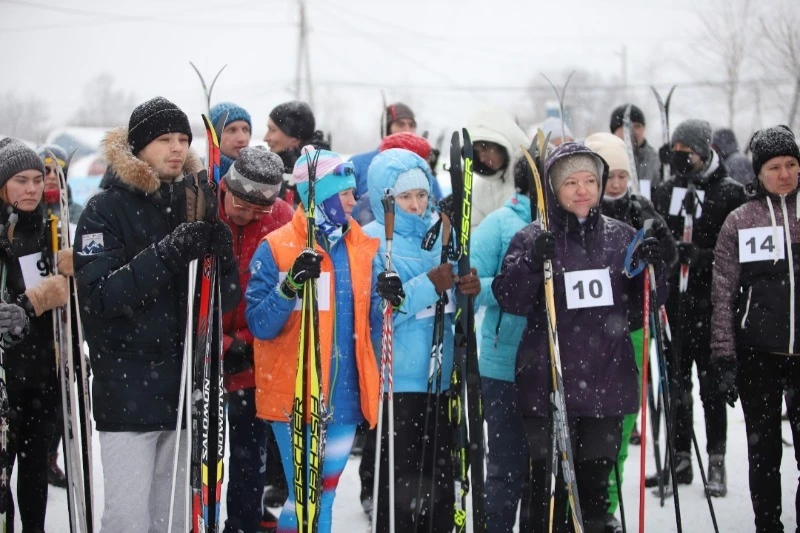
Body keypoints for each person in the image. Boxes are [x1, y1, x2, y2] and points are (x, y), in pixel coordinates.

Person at [73, 96, 240, 533]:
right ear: (138, 147)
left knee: (175, 517)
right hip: (128, 392)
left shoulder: (193, 203)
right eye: (165, 139)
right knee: (129, 518)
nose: (177, 149)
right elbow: (101, 296)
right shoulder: (103, 209)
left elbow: (225, 300)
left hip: (185, 391)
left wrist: (224, 258)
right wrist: (169, 252)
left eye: (184, 139)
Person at [492, 141, 670, 533]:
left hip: (605, 385)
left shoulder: (621, 237)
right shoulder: (532, 237)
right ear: (553, 189)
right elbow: (510, 299)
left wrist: (657, 265)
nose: (582, 190)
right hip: (547, 386)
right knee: (547, 490)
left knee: (594, 492)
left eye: (590, 180)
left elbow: (646, 307)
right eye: (570, 182)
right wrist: (531, 263)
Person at [245, 147, 380, 533]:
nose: (354, 201)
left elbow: (367, 323)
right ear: (318, 195)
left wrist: (388, 299)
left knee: (325, 494)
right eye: (345, 193)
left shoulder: (360, 248)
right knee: (308, 496)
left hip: (345, 397)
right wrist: (289, 286)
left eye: (354, 192)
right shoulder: (277, 247)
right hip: (296, 397)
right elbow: (259, 324)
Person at [363, 147, 480, 531]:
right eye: (405, 197)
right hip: (398, 380)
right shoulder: (374, 241)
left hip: (442, 377)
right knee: (401, 480)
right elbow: (380, 313)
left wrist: (469, 287)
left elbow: (456, 304)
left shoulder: (441, 233)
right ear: (386, 198)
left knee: (440, 478)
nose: (415, 205)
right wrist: (429, 285)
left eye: (421, 195)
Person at [649, 118, 746, 497]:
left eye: (685, 155)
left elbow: (734, 251)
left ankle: (716, 459)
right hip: (675, 303)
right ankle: (679, 456)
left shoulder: (728, 192)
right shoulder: (668, 188)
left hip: (710, 304)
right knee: (676, 384)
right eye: (673, 153)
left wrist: (702, 256)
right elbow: (657, 231)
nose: (678, 160)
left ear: (704, 154)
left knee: (709, 387)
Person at [711, 125, 800, 533]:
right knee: (763, 454)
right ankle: (768, 525)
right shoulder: (740, 221)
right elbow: (724, 293)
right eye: (774, 167)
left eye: (792, 165)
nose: (785, 174)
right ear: (758, 172)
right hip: (757, 355)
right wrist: (724, 356)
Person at [586, 132, 676, 532]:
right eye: (610, 176)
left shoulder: (642, 210)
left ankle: (609, 501)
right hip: (588, 335)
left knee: (622, 422)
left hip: (634, 330)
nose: (618, 185)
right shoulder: (580, 213)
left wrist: (656, 256)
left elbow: (668, 263)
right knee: (590, 425)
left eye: (623, 175)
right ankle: (589, 502)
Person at [219, 146, 293, 533]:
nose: (244, 215)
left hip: (255, 353)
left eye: (256, 211)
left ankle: (244, 524)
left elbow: (281, 292)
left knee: (249, 455)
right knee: (206, 453)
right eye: (239, 203)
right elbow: (187, 293)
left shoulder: (282, 218)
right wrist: (218, 343)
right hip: (205, 349)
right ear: (227, 186)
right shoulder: (204, 207)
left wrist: (245, 341)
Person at [0, 137, 69, 532]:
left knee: (34, 467)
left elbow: (65, 293)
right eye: (19, 181)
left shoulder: (52, 229)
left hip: (42, 371)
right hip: (7, 376)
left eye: (36, 180)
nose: (30, 189)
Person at [471, 157, 534, 532]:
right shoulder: (500, 223)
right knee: (506, 468)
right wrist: (515, 285)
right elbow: (471, 286)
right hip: (504, 364)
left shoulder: (569, 226)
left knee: (544, 473)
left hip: (556, 366)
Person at [350, 104, 443, 224]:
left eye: (412, 125)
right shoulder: (359, 163)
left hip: (413, 239)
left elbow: (439, 211)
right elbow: (342, 208)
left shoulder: (421, 168)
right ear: (387, 129)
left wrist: (428, 176)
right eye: (400, 124)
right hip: (365, 238)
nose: (407, 129)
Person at [467, 105, 529, 227]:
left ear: (503, 141)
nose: (482, 158)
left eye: (485, 148)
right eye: (477, 152)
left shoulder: (537, 174)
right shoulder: (480, 190)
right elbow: (474, 234)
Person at [264, 100, 328, 205]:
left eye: (272, 130)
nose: (265, 138)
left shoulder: (321, 173)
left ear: (294, 137)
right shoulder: (268, 166)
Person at [610, 104, 663, 188]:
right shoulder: (604, 158)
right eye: (626, 127)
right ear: (614, 131)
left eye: (637, 126)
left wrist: (672, 166)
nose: (632, 131)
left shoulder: (656, 160)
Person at [210, 101, 253, 180]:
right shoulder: (198, 175)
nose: (242, 138)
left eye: (245, 129)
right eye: (232, 130)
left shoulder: (261, 176)